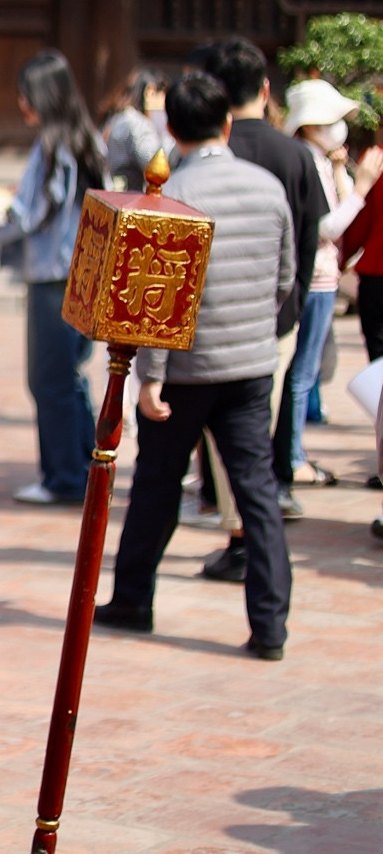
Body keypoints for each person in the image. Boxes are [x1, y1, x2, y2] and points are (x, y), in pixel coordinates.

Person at [96, 72, 294, 661]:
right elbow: (285, 279)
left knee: (157, 484)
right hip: (251, 365)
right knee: (256, 490)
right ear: (227, 123)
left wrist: (149, 377)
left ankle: (132, 598)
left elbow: (156, 303)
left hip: (184, 372)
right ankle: (271, 626)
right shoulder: (268, 187)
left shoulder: (174, 196)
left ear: (171, 131)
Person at [202, 38, 326, 530]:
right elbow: (310, 238)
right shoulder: (295, 155)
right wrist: (290, 300)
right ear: (266, 88)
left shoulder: (208, 155)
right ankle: (254, 514)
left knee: (217, 427)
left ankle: (234, 518)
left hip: (212, 315)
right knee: (259, 415)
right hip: (277, 311)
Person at [0, 50, 106, 505]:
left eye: (25, 95)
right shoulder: (86, 141)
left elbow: (32, 212)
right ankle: (83, 463)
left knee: (48, 379)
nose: (22, 104)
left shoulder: (52, 147)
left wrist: (0, 222)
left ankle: (63, 475)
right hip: (80, 273)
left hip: (52, 278)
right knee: (70, 374)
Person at [283, 80, 381, 494]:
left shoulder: (324, 162)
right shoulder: (309, 161)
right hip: (323, 276)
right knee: (303, 372)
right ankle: (292, 456)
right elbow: (336, 225)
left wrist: (347, 175)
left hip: (347, 276)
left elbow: (351, 223)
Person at [103, 69, 167, 192]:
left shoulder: (120, 117)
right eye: (162, 95)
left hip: (117, 188)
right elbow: (153, 163)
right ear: (150, 92)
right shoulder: (137, 123)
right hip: (131, 194)